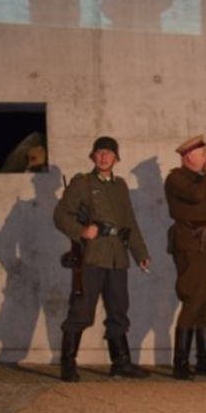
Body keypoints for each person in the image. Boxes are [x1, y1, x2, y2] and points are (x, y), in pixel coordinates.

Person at [52, 136, 151, 382]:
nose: (104, 157)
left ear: (116, 158)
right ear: (93, 156)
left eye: (109, 153)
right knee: (82, 310)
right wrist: (81, 231)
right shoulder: (82, 183)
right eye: (100, 152)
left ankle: (121, 363)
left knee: (119, 310)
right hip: (92, 256)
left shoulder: (120, 186)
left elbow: (129, 222)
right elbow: (61, 215)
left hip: (117, 257)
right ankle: (68, 363)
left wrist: (140, 254)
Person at [164, 135, 206, 379]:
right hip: (191, 245)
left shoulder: (202, 181)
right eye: (203, 154)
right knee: (193, 298)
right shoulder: (177, 179)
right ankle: (180, 363)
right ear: (189, 156)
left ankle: (205, 361)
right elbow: (196, 196)